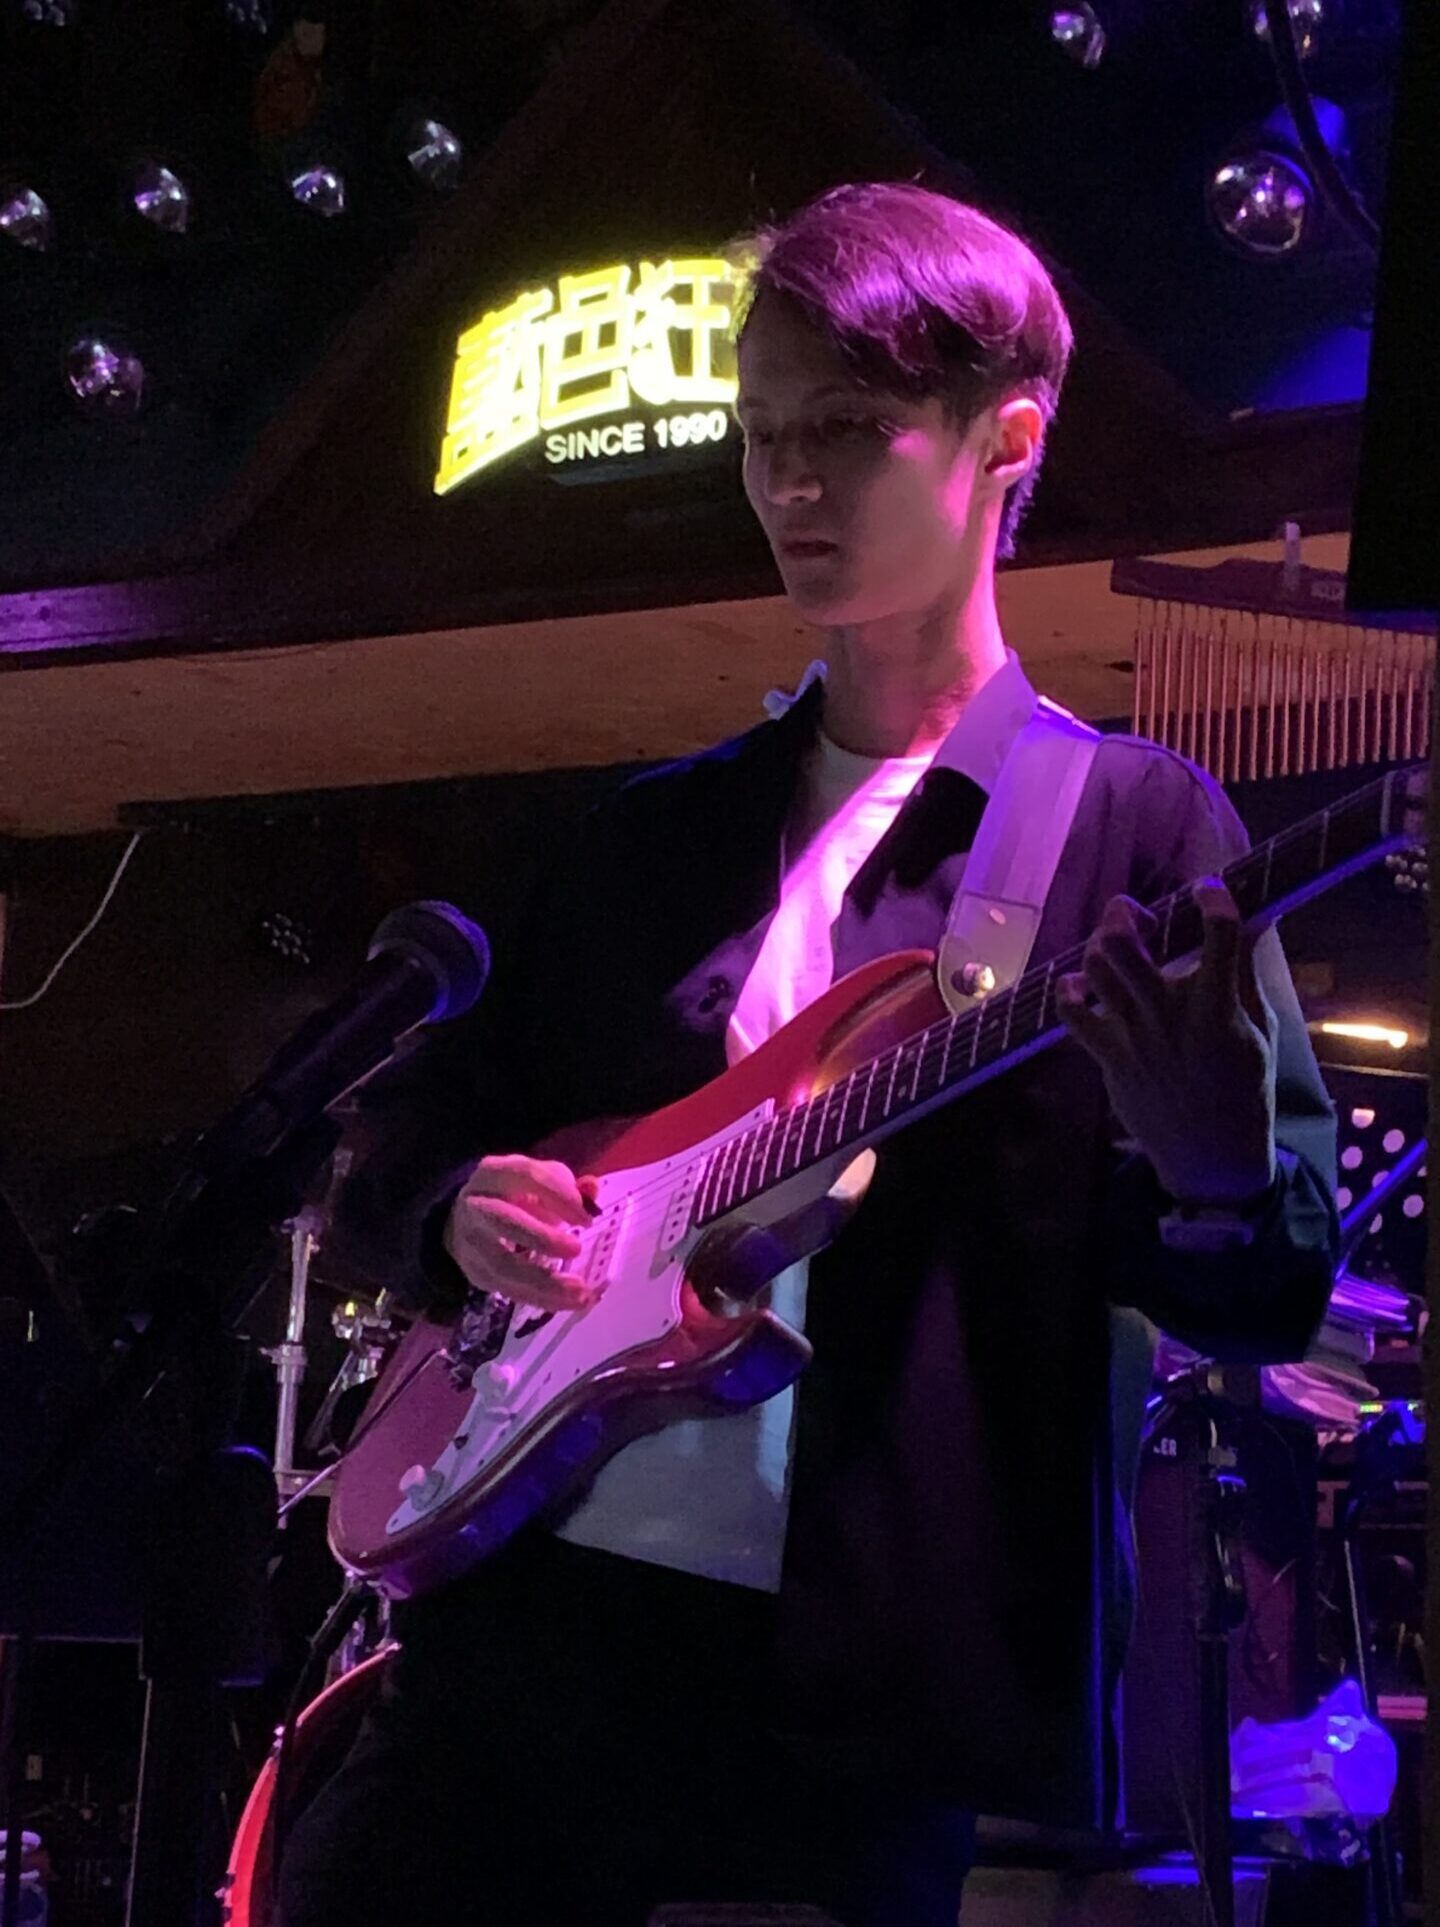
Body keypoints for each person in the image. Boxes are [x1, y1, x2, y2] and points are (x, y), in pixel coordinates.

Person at [277, 181, 1337, 1927]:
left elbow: (1264, 1297)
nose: (784, 481)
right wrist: (461, 1203)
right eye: (759, 434)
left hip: (852, 1697)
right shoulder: (646, 839)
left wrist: (1219, 1171)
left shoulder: (1136, 832)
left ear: (1008, 438)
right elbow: (404, 1134)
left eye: (843, 429)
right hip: (519, 1631)